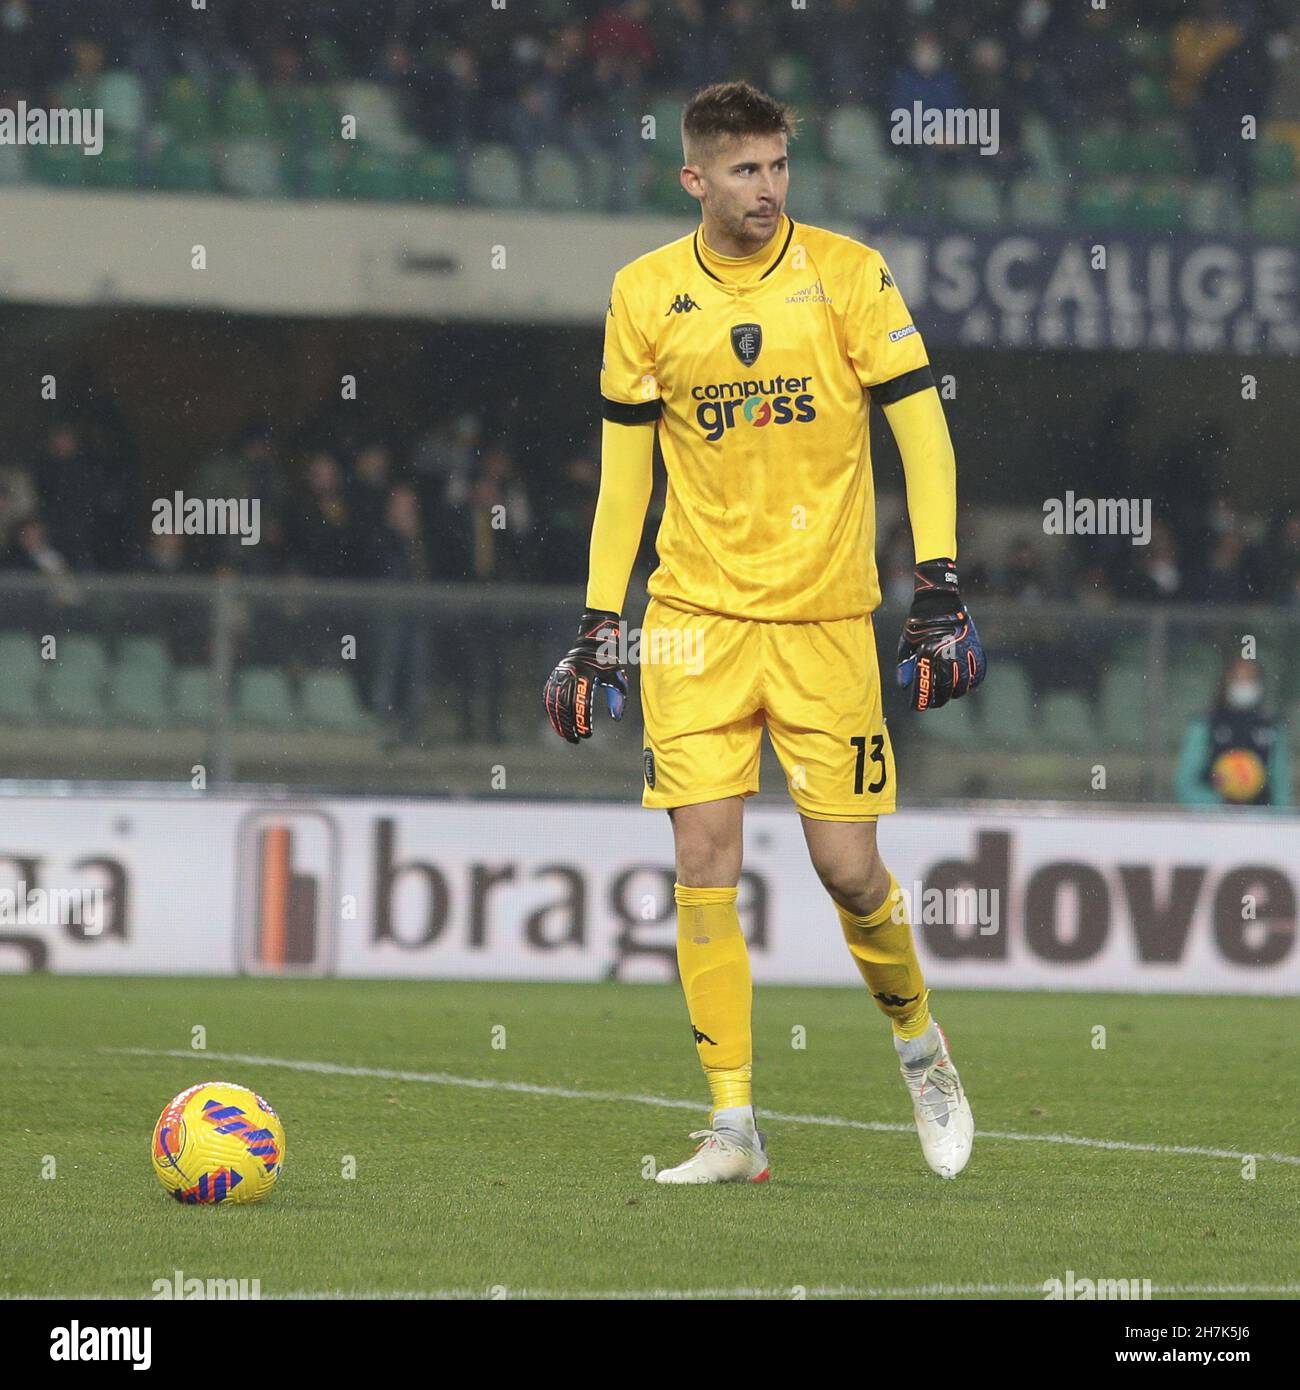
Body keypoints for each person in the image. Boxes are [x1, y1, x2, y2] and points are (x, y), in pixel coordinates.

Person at [543, 81, 985, 1184]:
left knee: (847, 868)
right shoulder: (643, 294)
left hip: (826, 617)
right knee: (702, 858)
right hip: (691, 620)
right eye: (744, 170)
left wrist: (938, 585)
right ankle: (733, 1127)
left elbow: (922, 431)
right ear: (693, 178)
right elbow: (622, 480)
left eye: (779, 166)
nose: (767, 188)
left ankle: (920, 1046)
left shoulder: (845, 271)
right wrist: (601, 622)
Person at [1175, 657, 1292, 809]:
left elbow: (1281, 789)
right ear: (1226, 682)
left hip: (1260, 823)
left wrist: (1275, 822)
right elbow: (1186, 783)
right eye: (1238, 678)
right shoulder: (1205, 725)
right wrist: (1218, 807)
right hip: (1212, 823)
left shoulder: (1271, 728)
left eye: (1250, 678)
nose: (1244, 685)